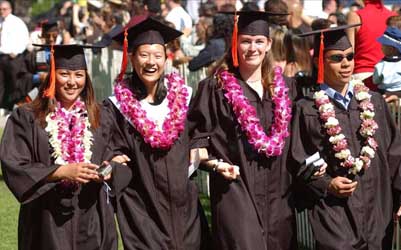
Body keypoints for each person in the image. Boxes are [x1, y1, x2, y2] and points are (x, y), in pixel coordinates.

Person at [188, 11, 311, 250]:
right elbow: (196, 138)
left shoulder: (287, 88)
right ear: (235, 43)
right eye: (245, 40)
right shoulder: (215, 89)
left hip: (279, 193)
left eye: (258, 41)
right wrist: (215, 164)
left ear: (268, 45)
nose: (252, 48)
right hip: (235, 189)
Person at [293, 24, 401, 250]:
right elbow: (299, 160)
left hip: (378, 210)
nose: (346, 63)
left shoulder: (374, 102)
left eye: (349, 56)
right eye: (336, 58)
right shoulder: (306, 109)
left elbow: (396, 153)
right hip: (334, 213)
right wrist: (326, 183)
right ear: (319, 62)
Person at [104, 15, 209, 250]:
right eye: (143, 55)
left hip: (184, 204)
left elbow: (200, 132)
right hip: (142, 205)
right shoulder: (117, 107)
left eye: (157, 55)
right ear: (131, 58)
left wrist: (198, 148)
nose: (151, 62)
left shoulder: (184, 98)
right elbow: (111, 145)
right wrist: (114, 158)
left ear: (166, 59)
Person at [0, 44, 117, 250]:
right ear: (53, 76)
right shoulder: (27, 117)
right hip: (45, 219)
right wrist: (60, 171)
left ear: (86, 78)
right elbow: (14, 163)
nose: (72, 82)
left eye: (79, 75)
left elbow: (116, 155)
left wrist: (106, 170)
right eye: (64, 74)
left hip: (91, 217)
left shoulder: (101, 116)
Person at [346, 0, 396, 90]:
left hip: (362, 76)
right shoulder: (393, 16)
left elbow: (349, 51)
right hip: (389, 77)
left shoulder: (354, 16)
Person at [0, 0, 29, 111]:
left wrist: (16, 51)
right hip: (1, 56)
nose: (2, 11)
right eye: (0, 9)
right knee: (1, 82)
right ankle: (2, 106)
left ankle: (12, 106)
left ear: (10, 9)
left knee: (14, 82)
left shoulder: (17, 22)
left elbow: (24, 38)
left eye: (4, 9)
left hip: (13, 58)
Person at [373, 26, 401, 98]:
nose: (381, 47)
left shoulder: (380, 65)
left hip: (384, 95)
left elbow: (375, 81)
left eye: (383, 45)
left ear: (391, 49)